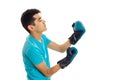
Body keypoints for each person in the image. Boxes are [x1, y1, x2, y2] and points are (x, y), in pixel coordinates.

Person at [21, 8, 85, 80]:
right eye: (39, 20)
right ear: (31, 27)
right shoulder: (31, 48)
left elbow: (60, 48)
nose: (44, 21)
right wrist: (66, 61)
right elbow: (47, 72)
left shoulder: (42, 37)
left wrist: (75, 36)